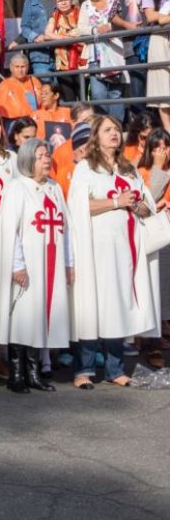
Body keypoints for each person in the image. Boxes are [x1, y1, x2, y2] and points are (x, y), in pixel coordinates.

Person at [68, 114, 158, 388]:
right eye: (107, 130)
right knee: (93, 305)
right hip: (95, 251)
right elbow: (80, 206)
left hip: (124, 250)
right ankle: (83, 370)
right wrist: (115, 202)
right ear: (96, 136)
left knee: (117, 305)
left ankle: (115, 369)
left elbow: (146, 206)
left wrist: (137, 204)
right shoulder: (86, 168)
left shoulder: (127, 169)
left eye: (116, 130)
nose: (114, 134)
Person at [0, 139, 70, 394]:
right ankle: (16, 373)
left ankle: (33, 372)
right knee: (23, 316)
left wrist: (69, 263)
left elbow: (66, 227)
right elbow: (9, 230)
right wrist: (17, 265)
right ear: (27, 160)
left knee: (41, 314)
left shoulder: (54, 188)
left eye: (48, 155)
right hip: (29, 262)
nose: (47, 159)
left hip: (51, 261)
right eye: (41, 155)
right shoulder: (17, 188)